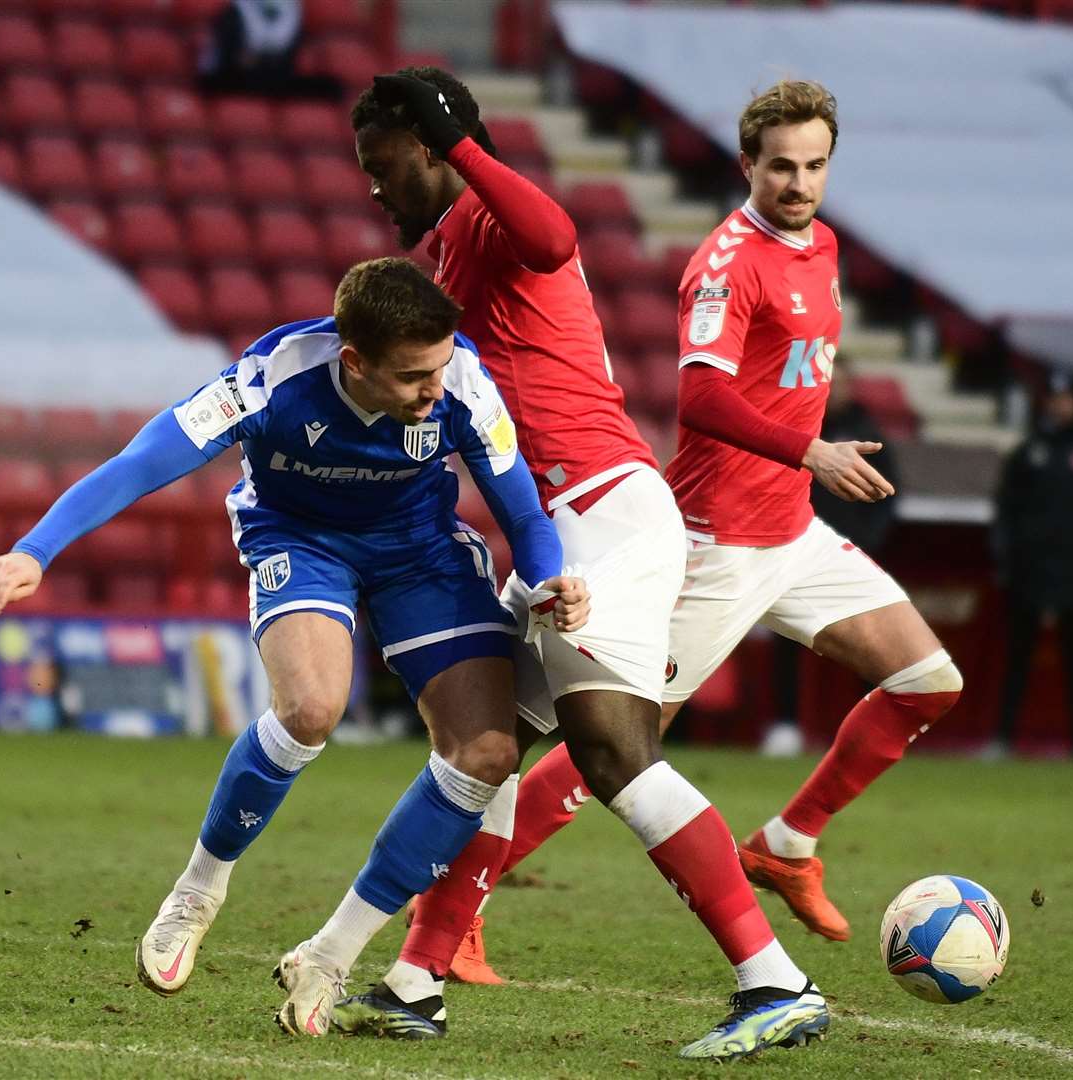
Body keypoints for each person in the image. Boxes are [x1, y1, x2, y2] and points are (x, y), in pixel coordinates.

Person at [315, 68, 829, 1061]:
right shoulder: (443, 264)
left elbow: (556, 236)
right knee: (480, 753)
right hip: (558, 529)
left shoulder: (492, 220)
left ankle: (773, 981)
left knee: (607, 747)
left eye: (384, 166)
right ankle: (413, 983)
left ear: (428, 148)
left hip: (603, 510)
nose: (375, 188)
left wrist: (466, 145)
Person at [0, 258, 589, 1035]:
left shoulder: (460, 379)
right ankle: (198, 890)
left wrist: (549, 578)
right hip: (301, 538)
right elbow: (143, 461)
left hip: (418, 551)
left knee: (487, 753)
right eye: (411, 376)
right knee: (310, 708)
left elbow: (523, 512)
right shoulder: (271, 378)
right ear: (353, 361)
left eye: (439, 367)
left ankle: (329, 956)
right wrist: (35, 550)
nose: (434, 387)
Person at [761, 353, 902, 756]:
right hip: (795, 552)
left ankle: (864, 730)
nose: (834, 389)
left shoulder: (869, 436)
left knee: (864, 646)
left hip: (849, 557)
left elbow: (888, 497)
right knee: (787, 642)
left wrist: (866, 544)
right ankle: (785, 725)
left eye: (839, 382)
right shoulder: (799, 431)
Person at [989, 370, 1073, 760]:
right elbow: (1006, 511)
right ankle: (1002, 738)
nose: (1060, 405)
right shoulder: (1029, 450)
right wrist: (1006, 560)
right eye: (1054, 398)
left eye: (1067, 399)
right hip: (1030, 571)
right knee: (1017, 657)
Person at [195, 0, 339, 99]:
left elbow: (288, 61)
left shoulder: (291, 11)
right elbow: (231, 57)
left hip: (272, 76)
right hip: (232, 78)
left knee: (329, 87)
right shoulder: (234, 11)